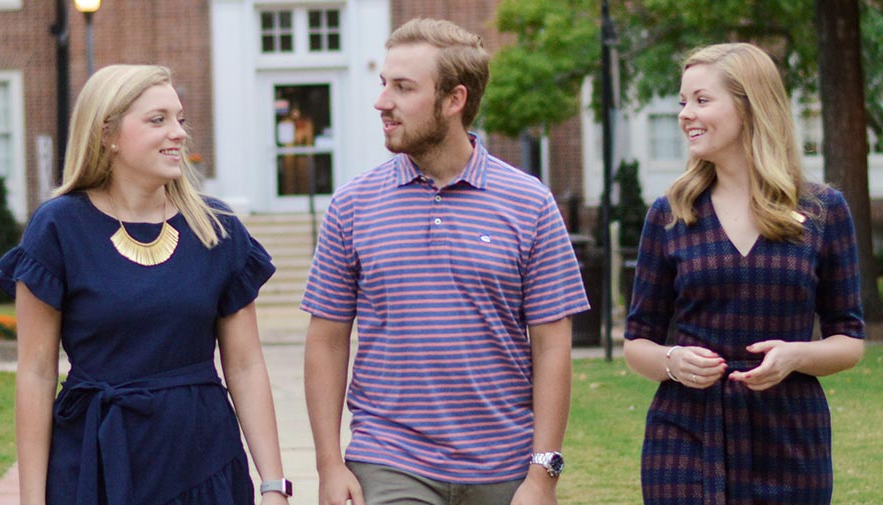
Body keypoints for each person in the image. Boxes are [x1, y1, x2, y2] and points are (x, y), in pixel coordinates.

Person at [302, 18, 589, 505]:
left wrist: (544, 475)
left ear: (454, 100)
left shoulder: (530, 204)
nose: (382, 102)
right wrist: (329, 465)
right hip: (389, 460)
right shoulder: (351, 205)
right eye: (383, 84)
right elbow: (327, 341)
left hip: (505, 466)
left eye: (403, 87)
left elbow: (552, 346)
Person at [0, 64, 291, 505]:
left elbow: (246, 366)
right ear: (107, 134)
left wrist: (273, 485)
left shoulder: (216, 226)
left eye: (180, 119)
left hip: (202, 459)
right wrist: (32, 500)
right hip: (95, 460)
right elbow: (36, 373)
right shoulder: (58, 227)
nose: (178, 133)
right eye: (158, 120)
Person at [624, 42, 866, 504]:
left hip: (791, 440)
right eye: (682, 102)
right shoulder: (670, 214)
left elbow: (849, 341)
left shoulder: (822, 212)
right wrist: (673, 362)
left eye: (701, 100)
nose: (684, 115)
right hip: (683, 439)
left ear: (749, 105)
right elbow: (637, 342)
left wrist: (795, 356)